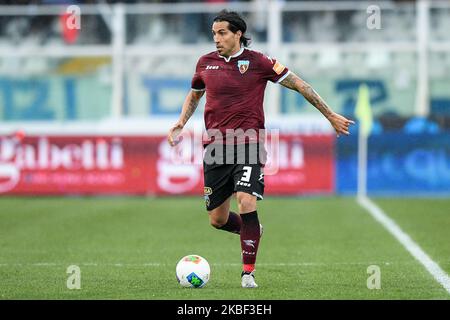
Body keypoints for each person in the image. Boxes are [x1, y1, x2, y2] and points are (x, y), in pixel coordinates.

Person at [168, 10, 354, 288]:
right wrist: (181, 123)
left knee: (246, 200)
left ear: (238, 33)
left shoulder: (259, 62)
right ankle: (252, 230)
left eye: (222, 33)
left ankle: (247, 274)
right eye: (214, 34)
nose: (216, 39)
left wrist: (330, 115)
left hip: (249, 143)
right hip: (216, 149)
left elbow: (301, 85)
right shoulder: (205, 63)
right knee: (217, 220)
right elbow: (195, 94)